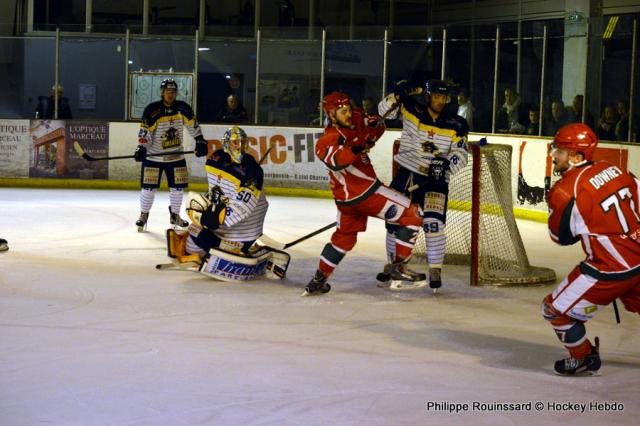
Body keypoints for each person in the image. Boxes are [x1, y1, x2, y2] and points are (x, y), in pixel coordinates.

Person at [304, 92, 425, 296]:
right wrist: (359, 144)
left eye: (349, 109)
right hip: (365, 192)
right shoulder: (328, 139)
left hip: (347, 202)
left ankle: (319, 280)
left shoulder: (354, 122)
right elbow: (337, 160)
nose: (349, 114)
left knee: (344, 240)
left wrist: (374, 126)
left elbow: (377, 127)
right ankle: (399, 268)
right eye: (343, 111)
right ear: (331, 115)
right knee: (413, 214)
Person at [543, 123, 640, 376]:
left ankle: (584, 356)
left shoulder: (565, 190)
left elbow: (560, 238)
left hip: (609, 268)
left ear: (577, 157)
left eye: (560, 151)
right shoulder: (614, 168)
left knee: (555, 311)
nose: (554, 155)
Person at [378, 79, 469, 291]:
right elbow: (384, 112)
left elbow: (462, 154)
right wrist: (397, 94)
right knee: (393, 221)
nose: (440, 101)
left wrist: (445, 166)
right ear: (428, 96)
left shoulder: (457, 123)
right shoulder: (411, 108)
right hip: (406, 174)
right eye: (436, 96)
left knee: (433, 223)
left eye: (444, 97)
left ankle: (435, 269)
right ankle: (395, 264)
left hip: (436, 180)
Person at [166, 127, 289, 281]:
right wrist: (206, 212)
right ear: (227, 144)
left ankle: (236, 248)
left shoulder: (252, 170)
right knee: (192, 239)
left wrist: (215, 220)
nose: (240, 146)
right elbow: (215, 191)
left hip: (244, 229)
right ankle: (217, 249)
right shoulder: (216, 158)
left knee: (201, 238)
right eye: (236, 142)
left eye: (243, 142)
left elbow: (242, 207)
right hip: (223, 225)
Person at [134, 78, 208, 231]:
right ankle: (144, 214)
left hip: (176, 157)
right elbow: (145, 131)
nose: (171, 94)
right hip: (153, 157)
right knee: (148, 189)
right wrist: (142, 147)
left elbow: (193, 125)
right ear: (162, 92)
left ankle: (175, 215)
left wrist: (200, 140)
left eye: (173, 91)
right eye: (168, 91)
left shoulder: (183, 108)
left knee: (177, 189)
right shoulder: (152, 109)